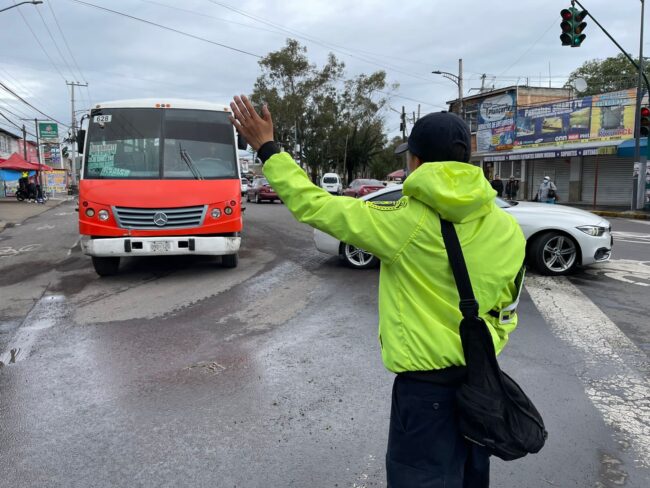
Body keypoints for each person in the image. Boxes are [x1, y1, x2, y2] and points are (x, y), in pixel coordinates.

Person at [229, 95, 525, 487]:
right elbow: (507, 309)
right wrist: (486, 347)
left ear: (416, 161)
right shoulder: (507, 227)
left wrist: (268, 149)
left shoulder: (404, 222)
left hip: (426, 394)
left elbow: (314, 205)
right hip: (482, 385)